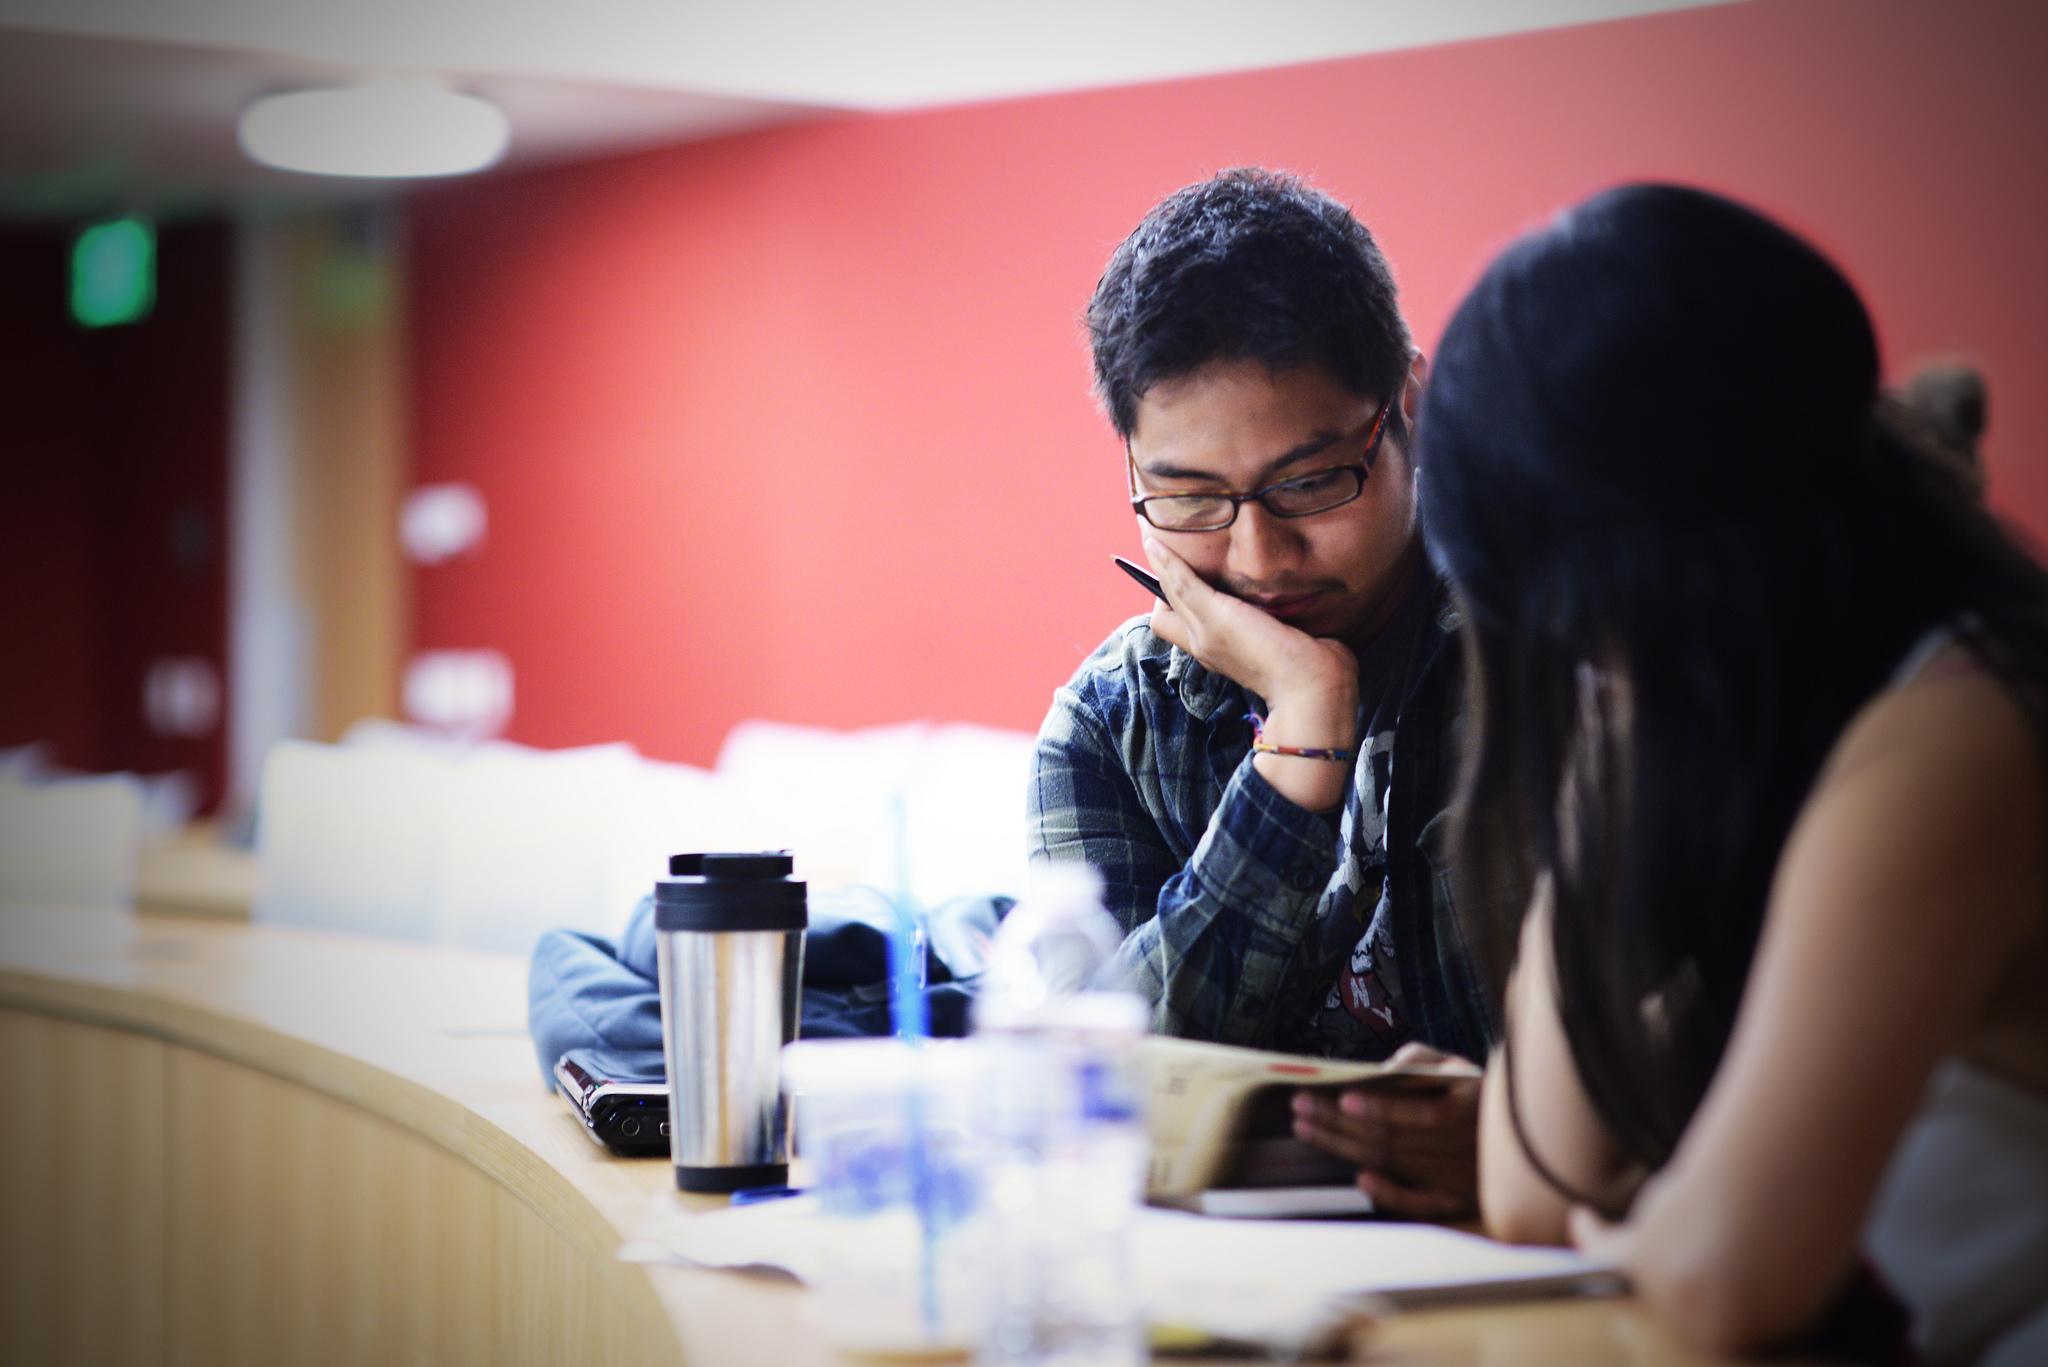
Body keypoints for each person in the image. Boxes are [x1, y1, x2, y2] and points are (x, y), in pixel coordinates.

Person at [1416, 183, 2048, 1364]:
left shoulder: (1957, 736)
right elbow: (1534, 1186)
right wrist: (1610, 734)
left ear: (1639, 564)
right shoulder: (1801, 727)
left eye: (1556, 608)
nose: (1563, 655)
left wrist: (1646, 1227)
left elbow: (1722, 1277)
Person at [1029, 169, 1490, 1218]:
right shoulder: (1108, 723)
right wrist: (1300, 735)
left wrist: (1530, 1132)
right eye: (1189, 498)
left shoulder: (1555, 659)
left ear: (1407, 407)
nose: (1258, 556)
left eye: (1309, 481)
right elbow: (1087, 1099)